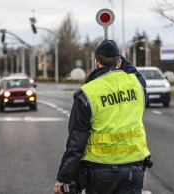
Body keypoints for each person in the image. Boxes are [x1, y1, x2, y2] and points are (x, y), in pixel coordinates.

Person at [54, 40, 151, 194]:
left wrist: (63, 177)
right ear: (119, 62)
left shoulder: (86, 93)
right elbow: (133, 70)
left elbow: (76, 143)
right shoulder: (137, 84)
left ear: (96, 63)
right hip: (134, 170)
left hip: (101, 174)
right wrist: (118, 57)